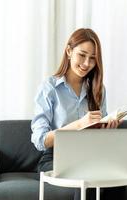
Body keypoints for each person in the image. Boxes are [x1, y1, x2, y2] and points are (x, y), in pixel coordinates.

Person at [31, 28, 120, 200]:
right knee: (85, 176)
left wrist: (107, 129)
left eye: (93, 58)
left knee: (117, 180)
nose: (87, 63)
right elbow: (40, 140)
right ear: (69, 51)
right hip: (55, 157)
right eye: (82, 55)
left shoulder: (98, 89)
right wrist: (79, 125)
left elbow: (100, 138)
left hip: (90, 153)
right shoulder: (49, 88)